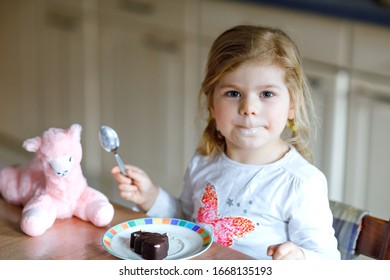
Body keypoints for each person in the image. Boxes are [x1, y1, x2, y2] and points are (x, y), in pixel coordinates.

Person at [112, 25, 340, 260]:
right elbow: (189, 225)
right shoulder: (204, 162)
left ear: (293, 104)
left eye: (267, 94)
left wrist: (301, 258)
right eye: (233, 93)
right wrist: (151, 196)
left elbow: (328, 261)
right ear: (211, 103)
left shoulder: (301, 183)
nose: (249, 108)